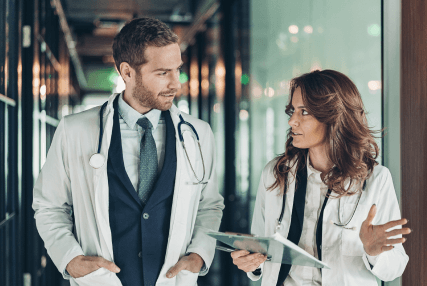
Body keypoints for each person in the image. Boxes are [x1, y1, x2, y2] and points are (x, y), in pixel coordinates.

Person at [32, 17, 224, 286]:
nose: (175, 83)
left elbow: (209, 205)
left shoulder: (198, 133)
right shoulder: (74, 131)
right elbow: (49, 206)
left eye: (176, 70)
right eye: (162, 73)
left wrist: (199, 254)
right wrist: (69, 259)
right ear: (127, 72)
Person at [231, 70, 410, 286]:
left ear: (333, 117)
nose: (292, 122)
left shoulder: (375, 179)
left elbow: (395, 267)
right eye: (293, 111)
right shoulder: (275, 173)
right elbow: (260, 247)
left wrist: (374, 252)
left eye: (304, 112)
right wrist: (252, 263)